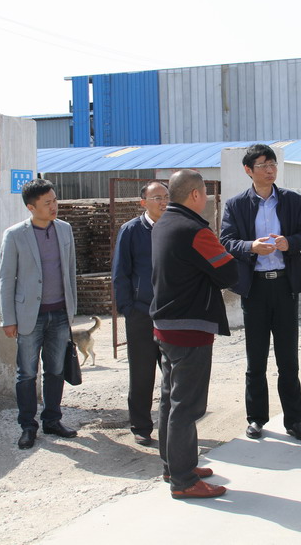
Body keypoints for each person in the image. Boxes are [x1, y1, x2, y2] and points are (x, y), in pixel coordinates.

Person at [150, 169, 238, 499]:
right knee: (186, 407)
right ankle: (184, 480)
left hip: (165, 325)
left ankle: (173, 465)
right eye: (206, 194)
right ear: (196, 195)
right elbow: (228, 272)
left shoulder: (163, 224)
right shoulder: (195, 230)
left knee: (170, 401)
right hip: (189, 328)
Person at [220, 144, 301, 442]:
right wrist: (251, 247)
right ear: (248, 170)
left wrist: (290, 242)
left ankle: (294, 421)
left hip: (285, 286)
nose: (270, 169)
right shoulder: (236, 205)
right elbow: (226, 241)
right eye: (262, 165)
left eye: (272, 163)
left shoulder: (291, 200)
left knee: (288, 359)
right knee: (256, 358)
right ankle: (256, 418)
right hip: (255, 288)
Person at [0, 178, 79, 450]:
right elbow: (6, 279)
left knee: (55, 370)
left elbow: (70, 271)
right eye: (47, 203)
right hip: (28, 316)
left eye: (55, 200)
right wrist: (8, 318)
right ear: (31, 207)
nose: (54, 206)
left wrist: (71, 310)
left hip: (59, 313)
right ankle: (27, 426)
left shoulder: (64, 230)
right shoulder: (15, 235)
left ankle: (52, 420)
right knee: (27, 373)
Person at [112, 181, 169, 446]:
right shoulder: (131, 230)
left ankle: (173, 426)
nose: (163, 201)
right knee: (142, 373)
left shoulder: (175, 227)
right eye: (157, 197)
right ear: (143, 202)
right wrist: (128, 308)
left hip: (170, 313)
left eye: (166, 196)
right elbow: (120, 272)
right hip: (141, 312)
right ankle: (141, 426)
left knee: (173, 373)